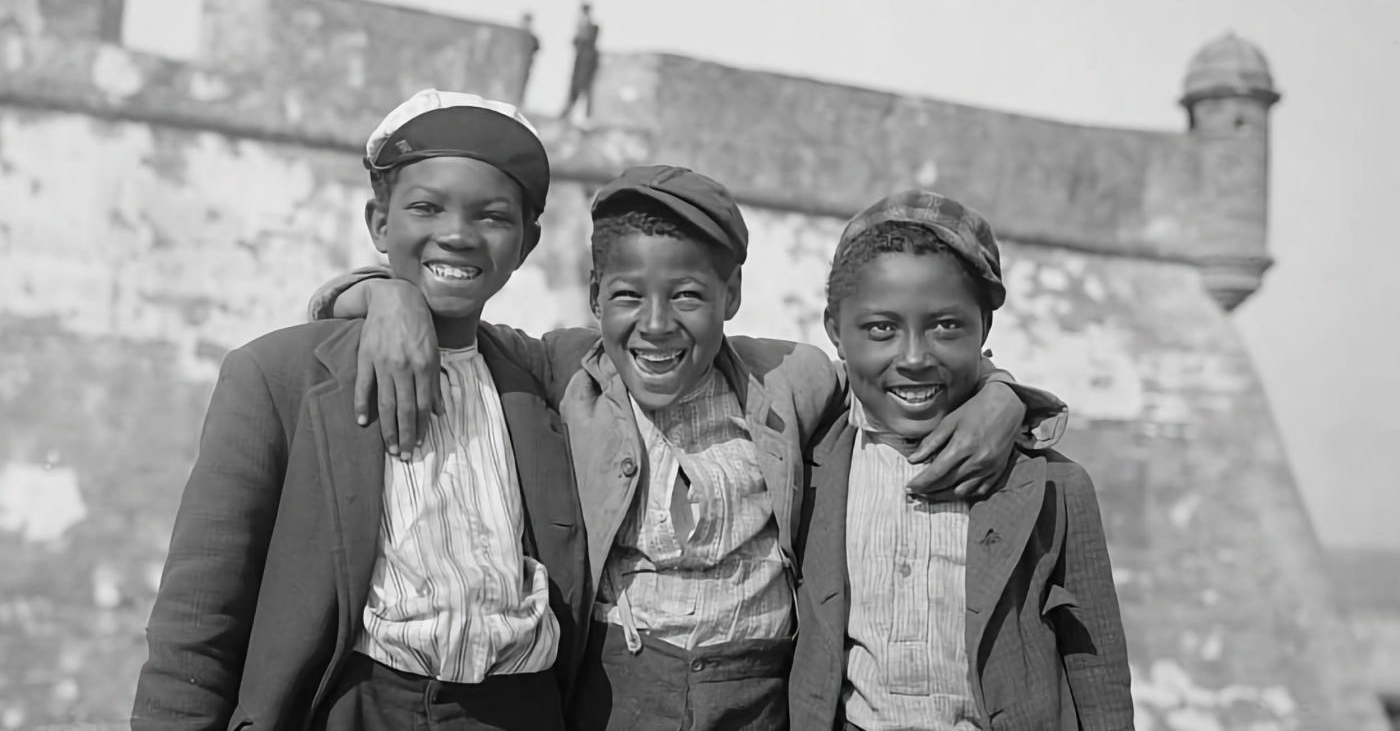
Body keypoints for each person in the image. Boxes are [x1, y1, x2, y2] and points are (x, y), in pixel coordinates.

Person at [313, 166, 1066, 730]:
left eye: (689, 297)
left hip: (757, 696)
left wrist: (1002, 394)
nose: (658, 324)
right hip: (614, 693)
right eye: (629, 296)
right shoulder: (563, 368)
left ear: (731, 297)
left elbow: (902, 373)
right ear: (595, 296)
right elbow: (451, 325)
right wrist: (387, 294)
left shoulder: (789, 380)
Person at [132, 90, 589, 731]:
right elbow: (202, 606)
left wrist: (378, 292)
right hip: (351, 705)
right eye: (426, 208)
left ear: (527, 242)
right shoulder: (277, 376)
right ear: (379, 224)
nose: (457, 235)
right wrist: (384, 295)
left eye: (492, 217)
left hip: (518, 709)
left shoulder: (540, 377)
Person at [789, 191, 1133, 731]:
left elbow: (1099, 674)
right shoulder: (804, 466)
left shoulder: (1053, 488)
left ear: (985, 330)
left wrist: (1004, 391)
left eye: (946, 326)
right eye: (881, 328)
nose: (915, 358)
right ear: (835, 330)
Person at [563, 1, 600, 121]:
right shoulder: (582, 24)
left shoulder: (589, 26)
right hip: (580, 59)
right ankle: (570, 112)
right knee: (576, 87)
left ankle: (583, 115)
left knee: (582, 86)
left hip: (586, 61)